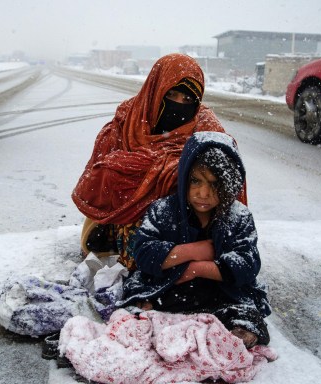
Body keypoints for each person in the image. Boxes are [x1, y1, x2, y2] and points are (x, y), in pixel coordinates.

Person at [72, 53, 243, 269]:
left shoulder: (206, 128)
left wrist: (172, 174)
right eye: (172, 95)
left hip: (189, 224)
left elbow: (228, 176)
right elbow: (96, 181)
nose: (179, 106)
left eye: (188, 100)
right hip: (128, 225)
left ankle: (182, 255)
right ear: (156, 89)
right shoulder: (126, 122)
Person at [118, 131, 271, 348]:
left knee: (248, 318)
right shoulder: (163, 211)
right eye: (196, 181)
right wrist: (194, 250)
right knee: (140, 308)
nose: (203, 193)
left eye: (215, 184)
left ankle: (231, 336)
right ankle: (162, 318)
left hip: (221, 292)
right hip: (171, 285)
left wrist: (197, 268)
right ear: (184, 177)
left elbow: (247, 265)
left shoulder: (239, 217)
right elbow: (144, 254)